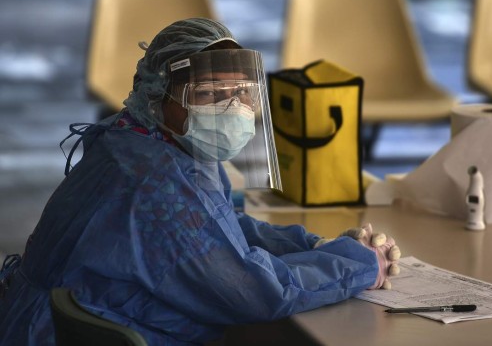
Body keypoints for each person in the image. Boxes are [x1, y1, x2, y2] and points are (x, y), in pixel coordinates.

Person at [0, 18, 400, 345]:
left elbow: (221, 225)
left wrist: (318, 245)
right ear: (158, 94)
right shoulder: (156, 182)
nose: (234, 109)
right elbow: (255, 293)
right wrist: (362, 264)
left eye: (243, 93)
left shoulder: (143, 138)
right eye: (210, 93)